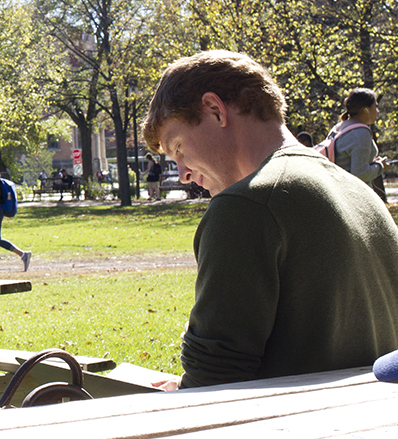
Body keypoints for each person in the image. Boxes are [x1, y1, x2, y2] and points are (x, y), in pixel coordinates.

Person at [142, 50, 398, 389]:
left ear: (215, 110)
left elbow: (211, 384)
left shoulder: (245, 206)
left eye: (178, 148)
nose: (184, 173)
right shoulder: (363, 197)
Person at [326, 87, 388, 201]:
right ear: (365, 110)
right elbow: (360, 174)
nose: (377, 111)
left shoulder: (339, 127)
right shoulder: (361, 132)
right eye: (376, 106)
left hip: (336, 195)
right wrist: (380, 167)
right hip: (354, 199)